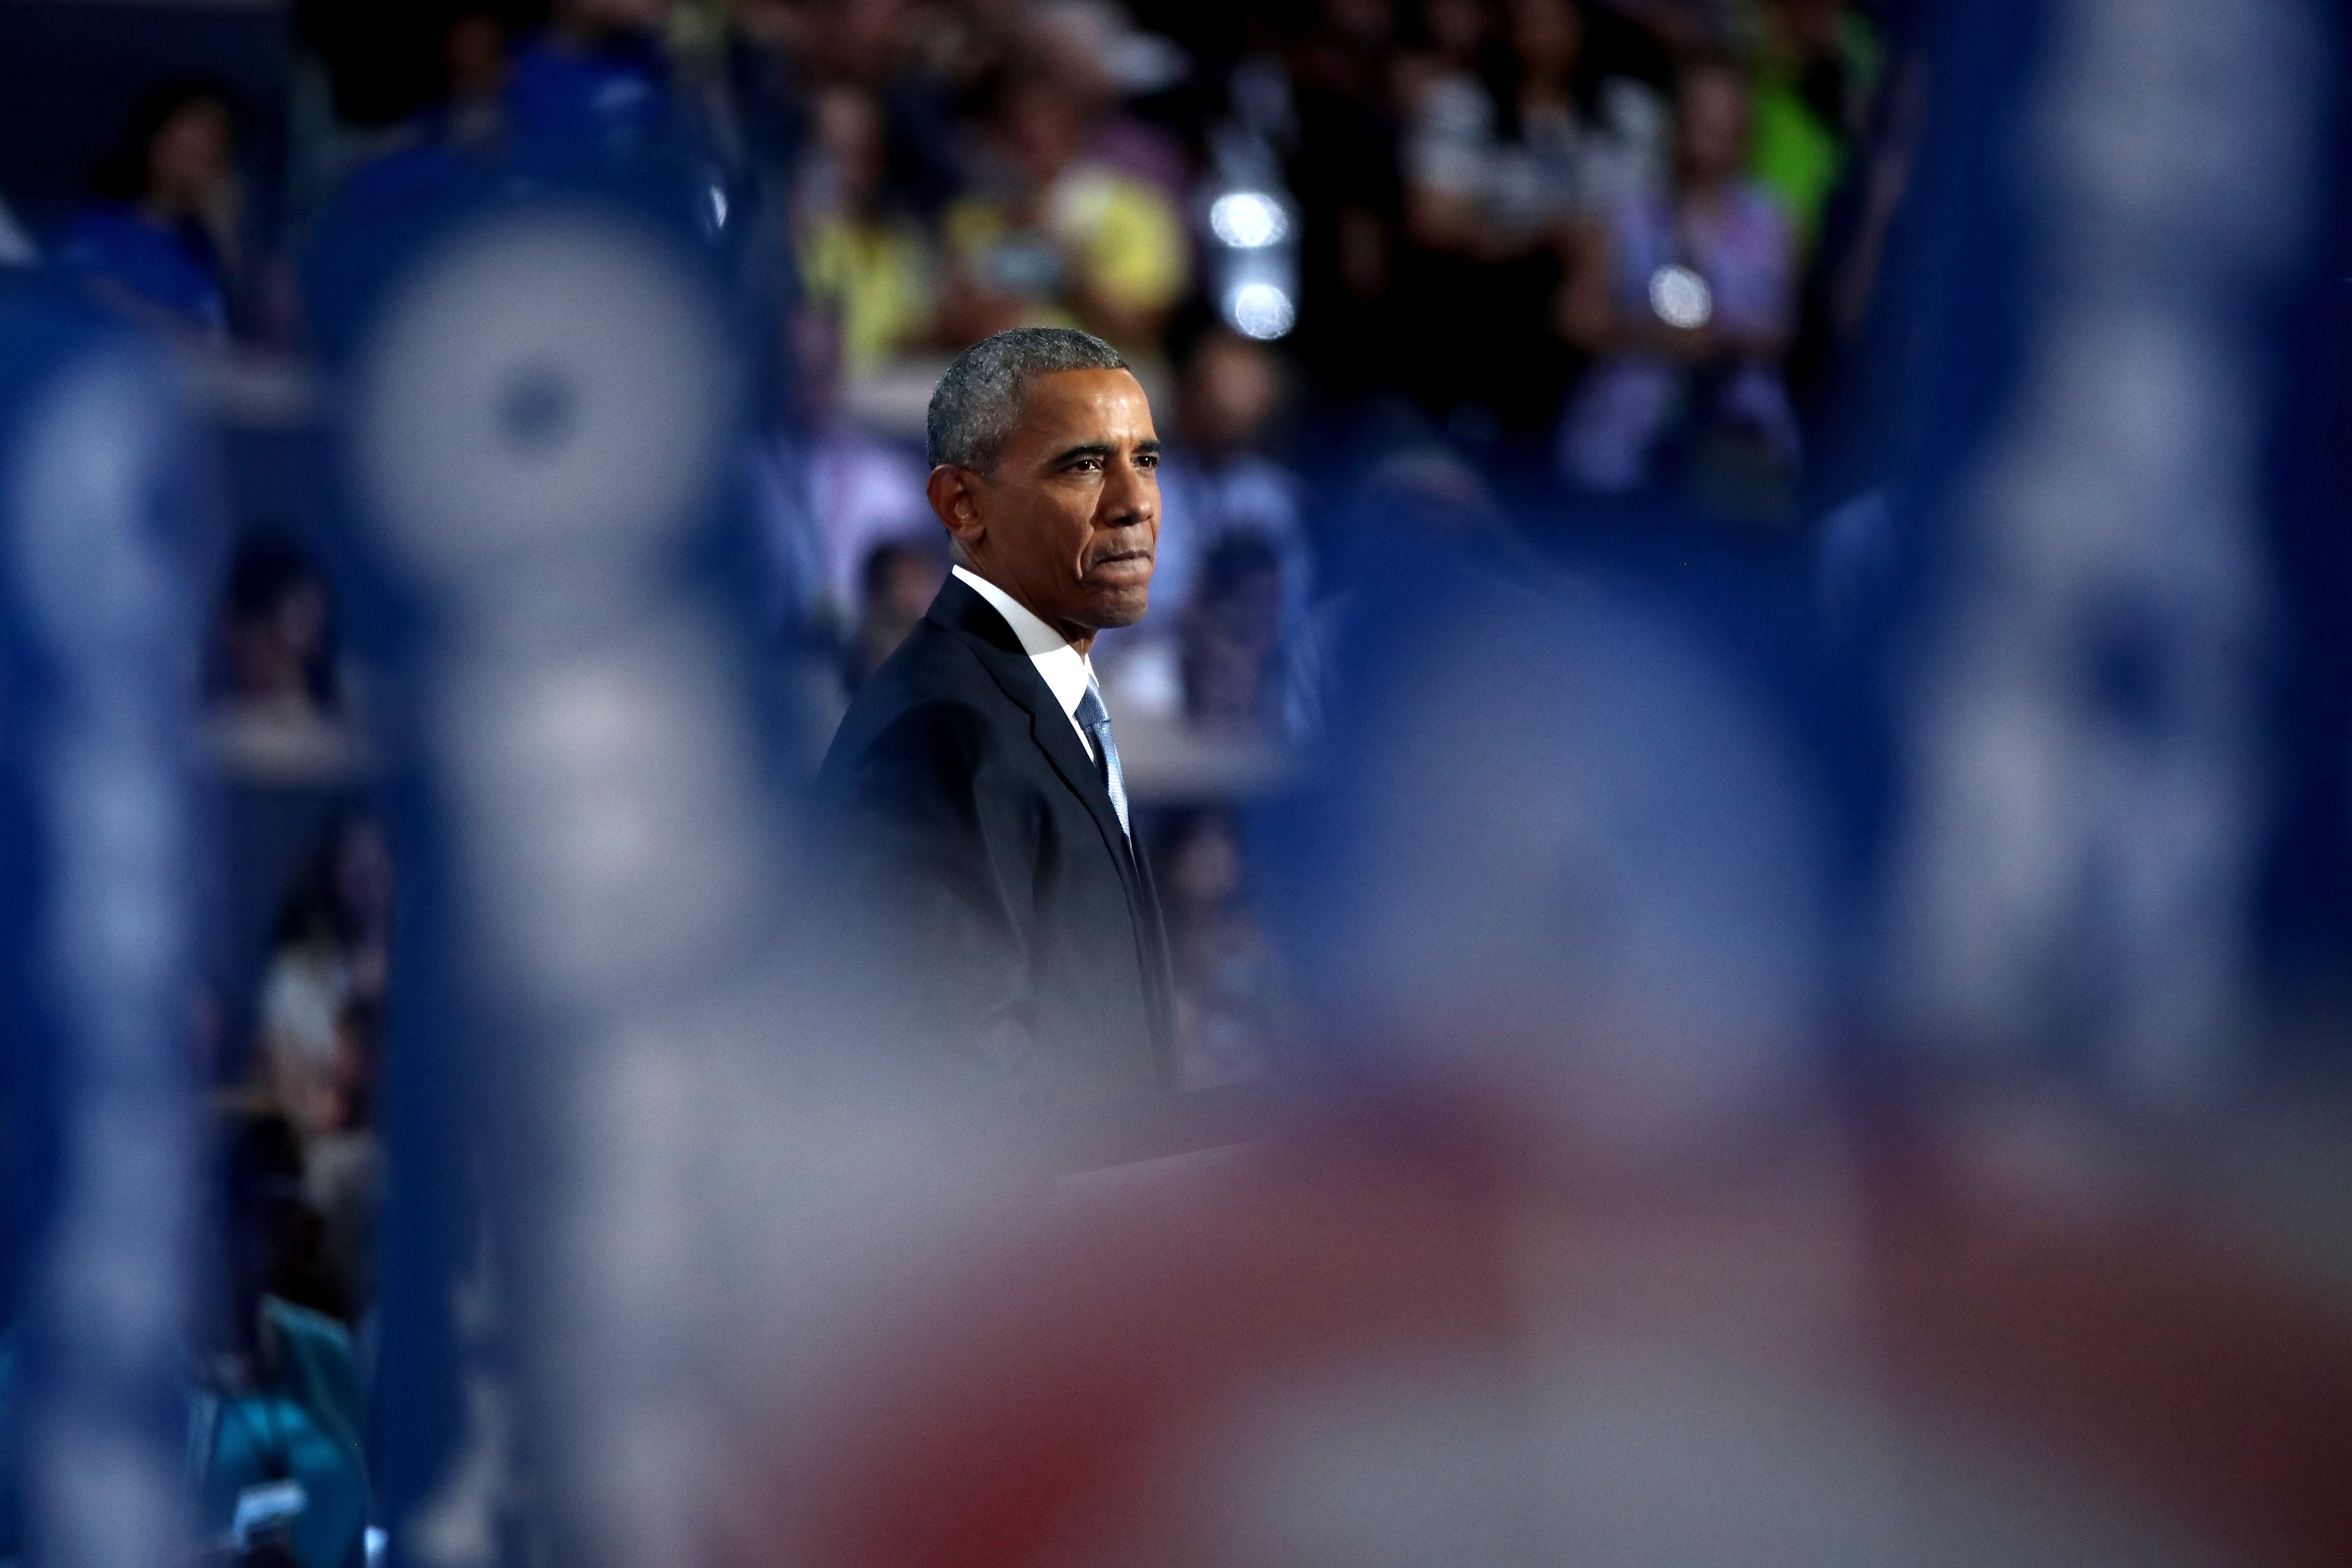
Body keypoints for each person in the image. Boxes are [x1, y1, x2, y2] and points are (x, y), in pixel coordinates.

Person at [811, 326, 1177, 1104]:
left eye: (1144, 460)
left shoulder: (1041, 694)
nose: (1133, 503)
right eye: (1082, 465)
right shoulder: (941, 728)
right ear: (961, 503)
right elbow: (960, 1100)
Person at [1552, 51, 1799, 513]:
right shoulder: (1626, 216)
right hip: (1622, 444)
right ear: (1676, 120)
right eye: (1698, 113)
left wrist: (1722, 340)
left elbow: (1789, 330)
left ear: (1744, 130)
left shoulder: (1772, 223)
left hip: (1734, 446)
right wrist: (1651, 336)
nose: (1708, 130)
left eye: (1723, 118)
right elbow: (1575, 319)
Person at [55, 80, 245, 339]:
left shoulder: (213, 254)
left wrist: (229, 241)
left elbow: (257, 342)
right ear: (153, 144)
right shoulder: (98, 230)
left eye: (212, 147)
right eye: (187, 147)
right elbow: (83, 296)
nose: (196, 164)